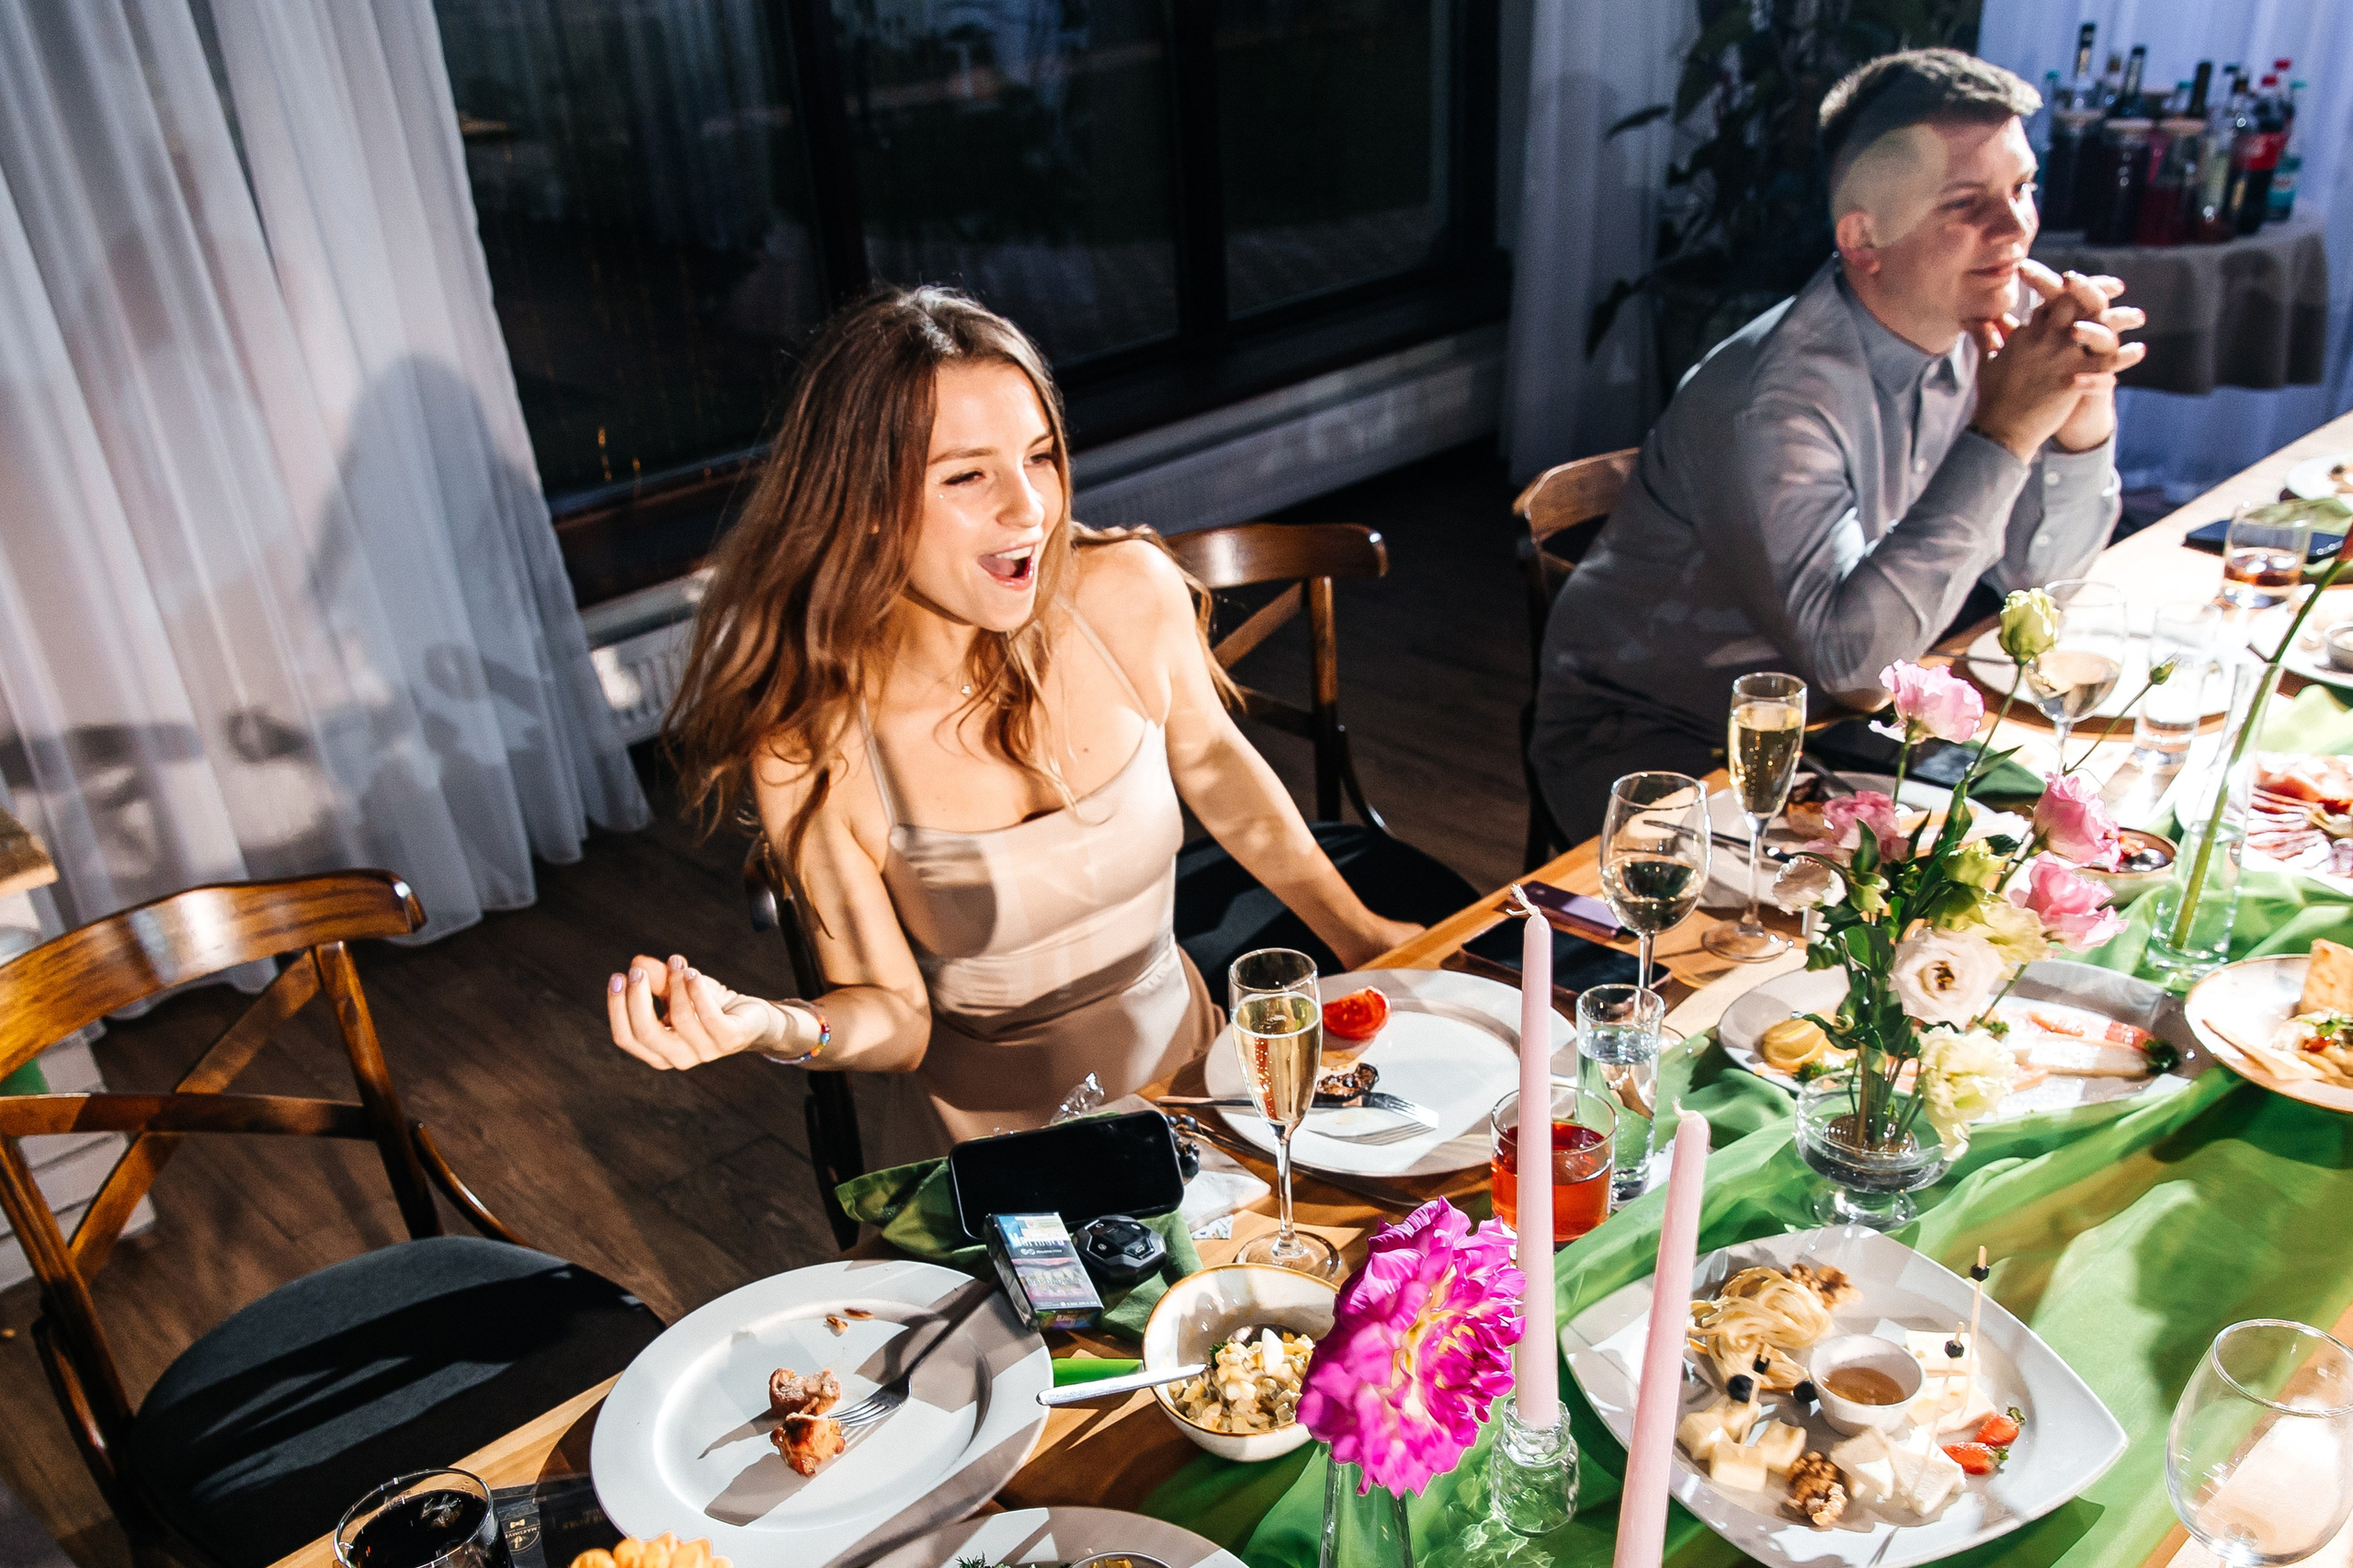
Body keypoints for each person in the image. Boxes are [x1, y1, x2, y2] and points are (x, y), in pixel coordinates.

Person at [602, 286, 1421, 1155]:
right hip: (997, 1167)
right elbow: (897, 1021)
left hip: (1198, 1095)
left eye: (1039, 457)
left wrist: (1360, 933)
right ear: (866, 505)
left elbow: (1221, 772)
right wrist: (771, 1024)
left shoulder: (1128, 592)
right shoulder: (811, 742)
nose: (1029, 508)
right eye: (965, 476)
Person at [1531, 48, 2146, 844]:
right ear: (1863, 237)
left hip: (1844, 733)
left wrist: (2078, 417)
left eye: (2023, 187)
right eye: (1968, 203)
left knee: (2092, 844)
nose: (2017, 227)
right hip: (1664, 750)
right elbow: (1851, 667)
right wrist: (2005, 434)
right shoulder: (1771, 404)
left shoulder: (1975, 335)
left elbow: (2037, 586)